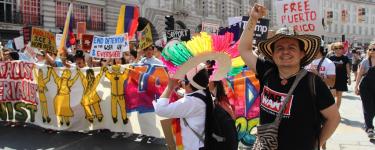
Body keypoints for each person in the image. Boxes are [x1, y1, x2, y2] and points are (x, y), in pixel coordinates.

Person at [238, 4, 340, 150]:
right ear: (272, 54)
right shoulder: (267, 71)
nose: (285, 52)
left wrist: (316, 143)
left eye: (292, 47)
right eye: (280, 48)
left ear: (302, 54)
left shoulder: (313, 82)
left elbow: (334, 118)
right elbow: (244, 49)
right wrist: (253, 19)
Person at [153, 64, 213, 150]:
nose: (181, 82)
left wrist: (170, 87)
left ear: (189, 84)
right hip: (204, 144)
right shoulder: (206, 94)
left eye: (184, 80)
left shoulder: (190, 102)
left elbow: (160, 109)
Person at [355, 41, 375, 138]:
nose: (372, 51)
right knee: (367, 107)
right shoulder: (365, 61)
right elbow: (359, 74)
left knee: (373, 108)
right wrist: (356, 86)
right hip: (365, 86)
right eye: (370, 49)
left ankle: (368, 123)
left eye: (374, 49)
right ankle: (369, 127)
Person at [329, 42, 351, 109]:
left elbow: (347, 68)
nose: (338, 50)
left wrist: (349, 78)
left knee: (339, 96)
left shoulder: (345, 58)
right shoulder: (331, 58)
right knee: (333, 95)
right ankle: (332, 110)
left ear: (342, 49)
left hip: (342, 79)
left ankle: (337, 111)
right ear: (334, 49)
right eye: (336, 48)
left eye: (340, 48)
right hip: (332, 79)